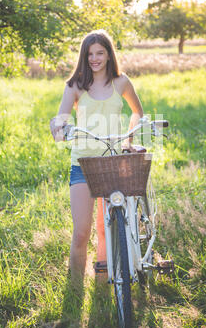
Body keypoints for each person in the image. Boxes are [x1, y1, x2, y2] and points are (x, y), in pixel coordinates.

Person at [50, 30, 143, 285]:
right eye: (90, 54)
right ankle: (75, 287)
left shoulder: (121, 82)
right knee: (81, 232)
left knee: (107, 229)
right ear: (84, 56)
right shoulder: (75, 85)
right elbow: (61, 121)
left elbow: (138, 113)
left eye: (100, 53)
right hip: (83, 164)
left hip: (112, 163)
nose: (94, 58)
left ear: (108, 54)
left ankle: (104, 286)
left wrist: (128, 141)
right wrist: (57, 129)